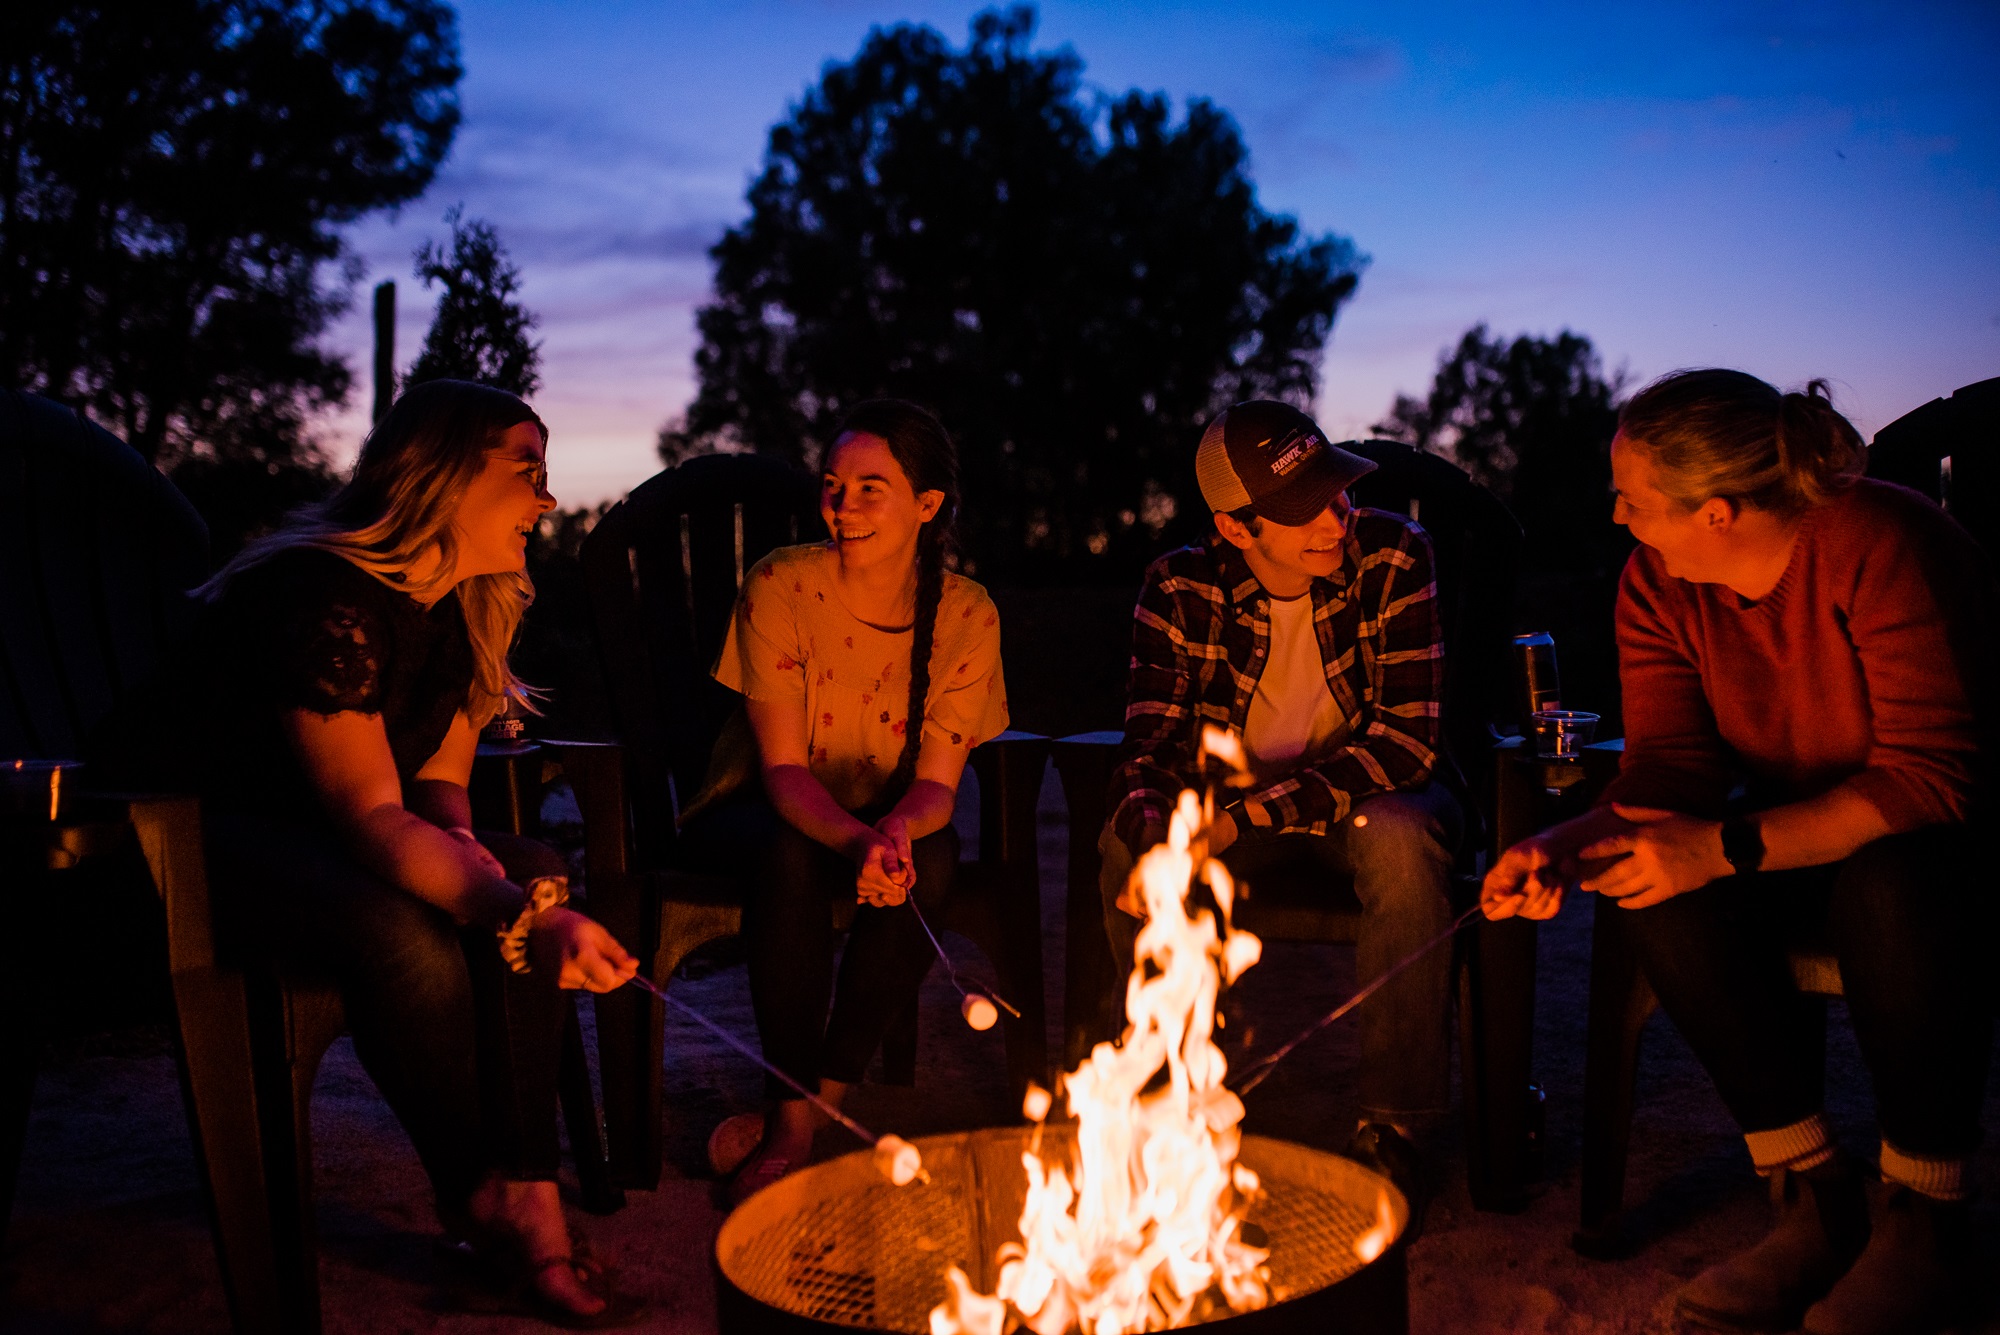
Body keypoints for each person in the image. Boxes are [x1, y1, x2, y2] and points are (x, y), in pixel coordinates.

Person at [1483, 370, 1992, 1335]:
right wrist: (1563, 845)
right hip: (1798, 832)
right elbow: (1669, 771)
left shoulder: (1880, 543)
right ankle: (1811, 1197)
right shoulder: (1660, 585)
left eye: (1632, 496)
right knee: (1653, 880)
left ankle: (1929, 1221)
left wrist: (1715, 850)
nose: (1618, 512)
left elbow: (1931, 781)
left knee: (1887, 884)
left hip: (1947, 847)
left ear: (1715, 513)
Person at [186, 380, 642, 1328]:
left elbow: (434, 789)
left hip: (338, 827)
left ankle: (530, 1185)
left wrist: (482, 858)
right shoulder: (327, 601)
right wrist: (516, 911)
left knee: (530, 864)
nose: (548, 499)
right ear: (443, 478)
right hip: (194, 842)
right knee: (410, 929)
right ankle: (479, 1190)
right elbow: (366, 818)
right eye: (529, 474)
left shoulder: (465, 605)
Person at [1101, 399, 1460, 1212]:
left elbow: (1405, 748)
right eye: (1303, 512)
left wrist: (1230, 824)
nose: (1336, 521)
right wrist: (1163, 840)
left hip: (1367, 801)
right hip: (1237, 813)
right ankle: (1170, 1108)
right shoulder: (1180, 586)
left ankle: (1397, 1125)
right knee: (1128, 852)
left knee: (1402, 839)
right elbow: (1146, 751)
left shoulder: (1396, 555)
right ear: (1236, 529)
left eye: (1336, 492)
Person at [681, 399, 1009, 1204]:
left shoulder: (965, 614)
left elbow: (937, 785)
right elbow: (784, 771)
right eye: (834, 484)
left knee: (933, 855)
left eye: (871, 487)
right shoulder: (782, 585)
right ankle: (789, 1114)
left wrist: (891, 831)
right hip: (758, 807)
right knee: (790, 852)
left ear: (927, 506)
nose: (843, 504)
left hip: (882, 807)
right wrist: (856, 842)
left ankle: (829, 1089)